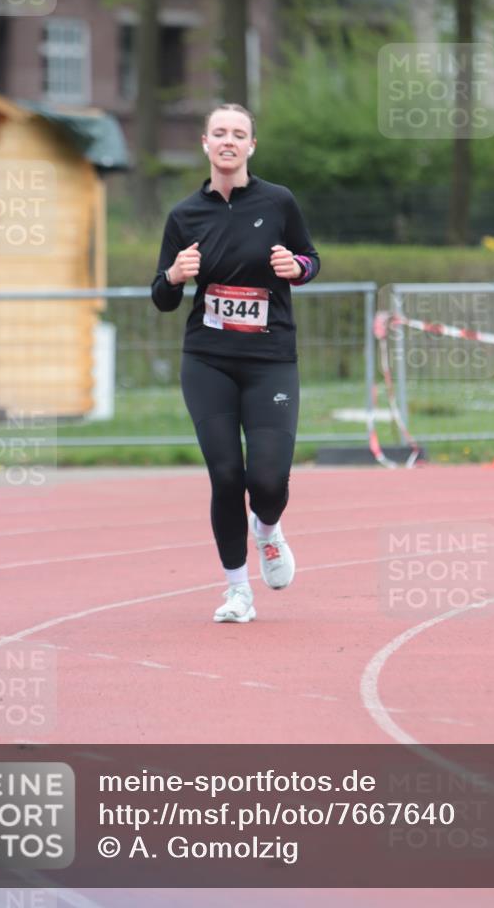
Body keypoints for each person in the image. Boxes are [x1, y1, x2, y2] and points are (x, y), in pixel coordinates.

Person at [151, 103, 320, 623]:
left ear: (251, 146)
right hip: (208, 360)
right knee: (226, 475)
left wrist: (296, 267)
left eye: (238, 134)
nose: (229, 141)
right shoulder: (184, 215)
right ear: (205, 143)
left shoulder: (278, 201)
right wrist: (174, 276)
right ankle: (237, 591)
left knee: (268, 479)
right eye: (219, 133)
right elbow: (161, 297)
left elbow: (311, 259)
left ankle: (267, 529)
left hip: (270, 359)